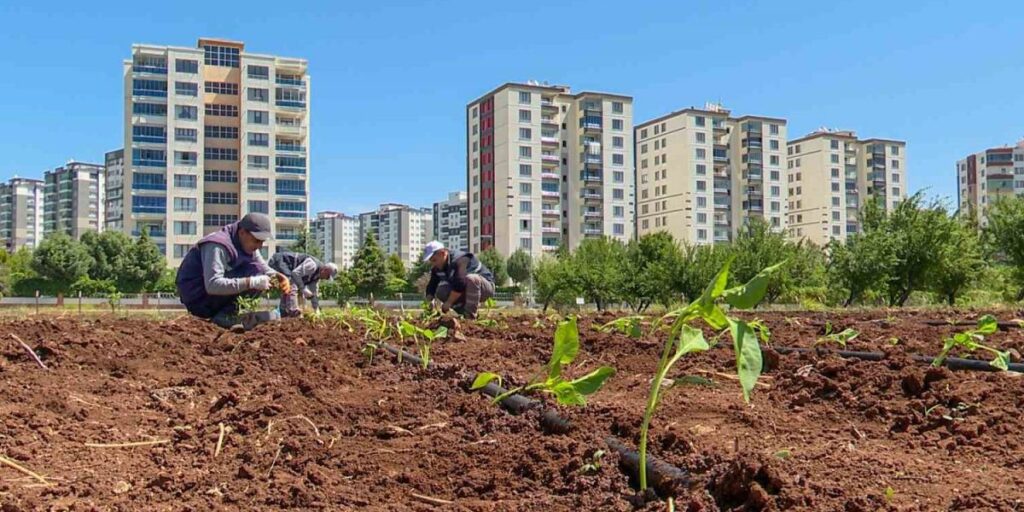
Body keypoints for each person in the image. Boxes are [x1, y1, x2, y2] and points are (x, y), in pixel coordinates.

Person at [175, 212, 286, 331]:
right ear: (242, 232)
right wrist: (251, 282)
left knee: (258, 271)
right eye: (257, 241)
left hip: (210, 296)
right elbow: (212, 284)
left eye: (262, 242)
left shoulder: (245, 242)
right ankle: (224, 318)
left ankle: (226, 316)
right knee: (255, 274)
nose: (259, 246)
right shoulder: (217, 245)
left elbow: (262, 267)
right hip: (196, 296)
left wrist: (277, 276)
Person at [422, 241, 495, 319]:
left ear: (443, 253)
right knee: (441, 290)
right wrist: (430, 301)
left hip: (485, 288)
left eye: (434, 260)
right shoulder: (437, 268)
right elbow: (432, 285)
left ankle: (470, 316)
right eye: (431, 261)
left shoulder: (461, 260)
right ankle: (463, 313)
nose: (433, 264)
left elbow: (460, 283)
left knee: (471, 279)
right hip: (465, 290)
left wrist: (448, 302)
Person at [268, 251, 338, 316]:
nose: (326, 279)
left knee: (289, 285)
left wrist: (316, 309)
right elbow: (295, 274)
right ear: (325, 270)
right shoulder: (312, 266)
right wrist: (303, 289)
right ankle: (292, 309)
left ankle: (283, 310)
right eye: (327, 276)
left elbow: (314, 293)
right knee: (292, 283)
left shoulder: (316, 277)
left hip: (287, 269)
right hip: (279, 261)